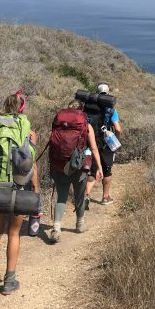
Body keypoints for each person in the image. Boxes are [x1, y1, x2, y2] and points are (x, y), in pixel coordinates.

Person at [0, 92, 39, 296]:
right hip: (18, 188)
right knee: (13, 232)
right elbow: (29, 159)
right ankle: (9, 281)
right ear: (21, 108)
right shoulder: (24, 124)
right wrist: (33, 144)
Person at [49, 100, 103, 243]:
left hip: (60, 164)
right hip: (78, 166)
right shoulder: (86, 125)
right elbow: (94, 148)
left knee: (61, 197)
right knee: (79, 196)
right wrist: (99, 167)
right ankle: (80, 224)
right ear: (81, 111)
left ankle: (56, 228)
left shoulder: (59, 123)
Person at [85, 82, 122, 206]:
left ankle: (86, 195)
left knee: (92, 170)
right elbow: (118, 129)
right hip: (106, 145)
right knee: (107, 170)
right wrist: (115, 143)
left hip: (91, 142)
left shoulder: (88, 107)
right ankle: (105, 197)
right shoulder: (111, 109)